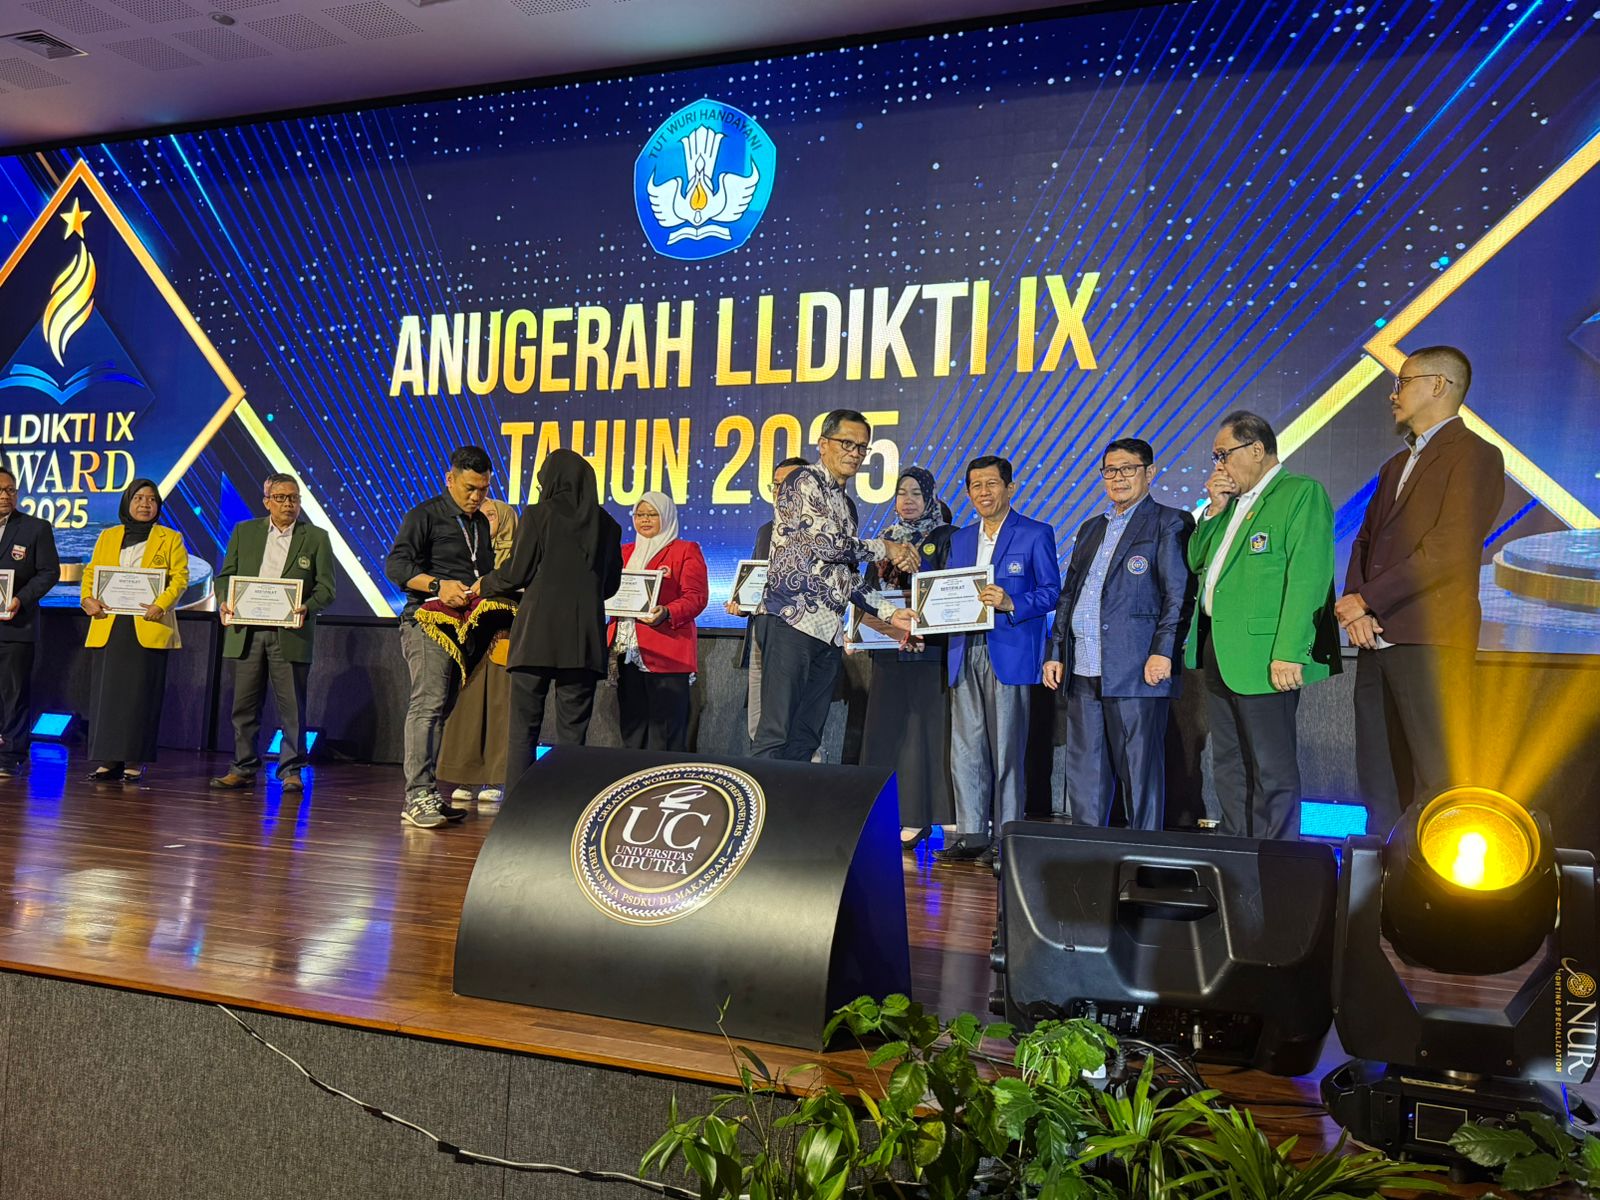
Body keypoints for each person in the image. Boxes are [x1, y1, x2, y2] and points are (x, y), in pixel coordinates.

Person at [1336, 346, 1504, 837]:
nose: (1394, 395)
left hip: (1431, 639)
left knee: (1437, 775)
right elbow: (1365, 540)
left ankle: (1435, 874)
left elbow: (1448, 548)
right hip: (1376, 639)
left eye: (1403, 382)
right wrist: (1356, 609)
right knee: (1378, 776)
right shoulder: (1395, 464)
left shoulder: (1476, 455)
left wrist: (1368, 599)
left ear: (1437, 385)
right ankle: (1382, 872)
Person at [1184, 411, 1340, 841]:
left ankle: (1278, 858)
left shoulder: (1299, 493)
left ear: (1256, 449)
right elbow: (1195, 560)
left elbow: (1309, 578)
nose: (1219, 465)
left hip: (1267, 655)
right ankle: (1237, 850)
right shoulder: (1230, 505)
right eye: (1216, 457)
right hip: (1220, 651)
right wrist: (1214, 511)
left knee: (1272, 767)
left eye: (1224, 454)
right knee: (1229, 762)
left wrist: (1289, 651)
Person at [1044, 439, 1195, 831]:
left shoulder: (1169, 522)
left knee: (1139, 773)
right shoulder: (1091, 528)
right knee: (1085, 772)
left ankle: (1143, 853)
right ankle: (1088, 853)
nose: (1118, 478)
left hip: (1136, 667)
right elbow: (1069, 594)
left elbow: (1178, 596)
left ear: (1150, 472)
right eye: (1110, 470)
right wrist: (1056, 650)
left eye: (1128, 468)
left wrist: (1163, 651)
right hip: (1083, 666)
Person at [752, 410, 920, 761]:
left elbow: (847, 576)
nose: (855, 453)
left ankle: (794, 797)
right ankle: (764, 798)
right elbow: (827, 545)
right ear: (823, 444)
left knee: (807, 735)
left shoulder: (847, 506)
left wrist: (891, 613)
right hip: (791, 619)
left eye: (862, 447)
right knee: (775, 733)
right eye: (847, 443)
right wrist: (886, 548)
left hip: (828, 632)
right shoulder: (802, 480)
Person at [935, 456, 1060, 864]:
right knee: (965, 748)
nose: (984, 492)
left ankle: (1007, 838)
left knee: (1007, 751)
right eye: (976, 485)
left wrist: (1011, 601)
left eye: (991, 484)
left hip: (1010, 651)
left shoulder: (1036, 533)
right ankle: (971, 833)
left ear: (1009, 488)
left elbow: (1052, 592)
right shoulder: (961, 539)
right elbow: (947, 592)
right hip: (964, 649)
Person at [477, 449, 622, 794]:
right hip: (583, 642)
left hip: (536, 637)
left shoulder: (538, 514)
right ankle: (563, 808)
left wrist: (485, 584)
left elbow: (517, 572)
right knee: (573, 735)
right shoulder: (608, 525)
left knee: (523, 729)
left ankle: (518, 805)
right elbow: (611, 586)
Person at [385, 446, 497, 829]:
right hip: (426, 621)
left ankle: (430, 793)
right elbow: (396, 566)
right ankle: (416, 796)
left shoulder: (481, 523)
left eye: (483, 489)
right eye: (469, 488)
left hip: (462, 628)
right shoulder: (424, 515)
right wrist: (438, 585)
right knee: (428, 705)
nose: (476, 496)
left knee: (443, 709)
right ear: (450, 479)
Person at [210, 473, 337, 793]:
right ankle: (243, 767)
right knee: (244, 706)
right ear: (266, 501)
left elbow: (327, 589)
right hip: (247, 631)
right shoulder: (244, 532)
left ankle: (291, 769)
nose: (288, 504)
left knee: (292, 707)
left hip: (290, 633)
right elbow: (225, 576)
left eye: (293, 498)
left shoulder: (316, 537)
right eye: (280, 497)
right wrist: (225, 599)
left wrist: (307, 606)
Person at [854, 467, 955, 849]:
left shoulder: (947, 537)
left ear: (930, 498)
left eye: (916, 493)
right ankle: (889, 815)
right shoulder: (884, 540)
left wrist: (921, 570)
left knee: (927, 734)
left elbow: (952, 591)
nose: (908, 500)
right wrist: (857, 630)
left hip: (930, 652)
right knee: (888, 732)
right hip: (888, 650)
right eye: (901, 493)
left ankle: (931, 816)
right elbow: (866, 592)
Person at [79, 479, 190, 783]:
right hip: (110, 624)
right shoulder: (108, 536)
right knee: (109, 695)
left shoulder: (171, 538)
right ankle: (109, 759)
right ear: (127, 502)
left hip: (149, 624)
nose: (145, 504)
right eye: (139, 498)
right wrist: (87, 599)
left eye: (151, 499)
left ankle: (134, 760)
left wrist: (161, 604)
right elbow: (91, 572)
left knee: (141, 696)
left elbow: (180, 578)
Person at [610, 492, 709, 750]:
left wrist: (666, 612)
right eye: (639, 514)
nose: (645, 520)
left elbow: (696, 597)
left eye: (652, 514)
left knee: (664, 736)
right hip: (626, 650)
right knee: (632, 730)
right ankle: (632, 775)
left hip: (667, 651)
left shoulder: (685, 550)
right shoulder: (624, 551)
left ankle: (663, 777)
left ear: (666, 516)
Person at [724, 457, 810, 747]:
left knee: (794, 722)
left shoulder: (820, 531)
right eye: (775, 485)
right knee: (758, 722)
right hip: (762, 632)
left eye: (788, 484)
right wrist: (743, 604)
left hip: (798, 635)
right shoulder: (765, 530)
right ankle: (763, 770)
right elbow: (756, 580)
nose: (780, 491)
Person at [441, 497, 519, 807]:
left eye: (491, 515)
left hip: (504, 641)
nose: (484, 519)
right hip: (471, 644)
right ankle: (466, 777)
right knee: (468, 712)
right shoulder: (468, 553)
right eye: (480, 514)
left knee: (501, 711)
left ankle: (496, 778)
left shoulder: (520, 558)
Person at [0, 464, 60, 779]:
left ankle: (10, 755)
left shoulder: (35, 528)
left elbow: (49, 572)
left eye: (10, 490)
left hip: (16, 624)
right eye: (0, 490)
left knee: (14, 693)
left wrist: (20, 598)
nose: (5, 496)